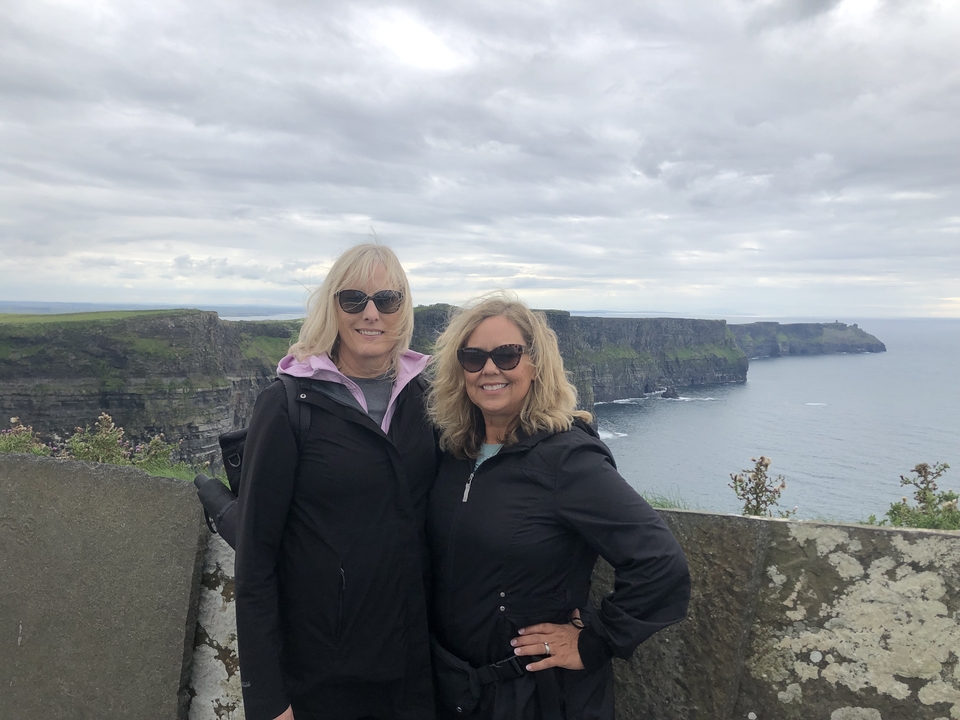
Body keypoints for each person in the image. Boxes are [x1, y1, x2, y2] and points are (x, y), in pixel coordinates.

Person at [425, 292, 691, 720]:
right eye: (473, 357)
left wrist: (593, 640)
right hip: (459, 690)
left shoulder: (567, 459)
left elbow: (660, 562)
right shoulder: (456, 453)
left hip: (535, 697)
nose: (489, 368)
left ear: (535, 365)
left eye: (508, 355)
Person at [235, 243, 437, 720]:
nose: (371, 313)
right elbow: (256, 559)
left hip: (416, 661)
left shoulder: (428, 397)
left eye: (387, 300)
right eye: (353, 300)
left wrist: (564, 421)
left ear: (403, 308)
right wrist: (267, 700)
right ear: (333, 307)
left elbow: (496, 431)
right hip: (325, 675)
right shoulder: (288, 405)